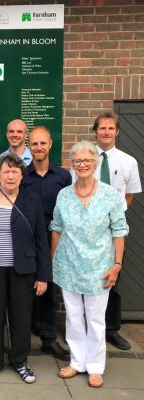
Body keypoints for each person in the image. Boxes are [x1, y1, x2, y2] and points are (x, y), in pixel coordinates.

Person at [50, 140, 128, 388]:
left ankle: (95, 366)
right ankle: (76, 362)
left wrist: (117, 264)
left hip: (99, 268)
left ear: (95, 164)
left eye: (86, 160)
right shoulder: (64, 195)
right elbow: (57, 229)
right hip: (69, 266)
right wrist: (53, 261)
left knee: (95, 319)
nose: (82, 165)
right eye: (77, 161)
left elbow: (119, 230)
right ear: (72, 165)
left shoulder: (110, 195)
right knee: (73, 317)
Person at [0, 155, 52, 384]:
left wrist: (43, 275)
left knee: (21, 317)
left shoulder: (32, 200)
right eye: (6, 171)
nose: (10, 175)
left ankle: (20, 361)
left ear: (21, 175)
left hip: (23, 269)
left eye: (15, 172)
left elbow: (40, 239)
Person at [93, 112, 142, 351]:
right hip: (89, 229)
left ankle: (111, 329)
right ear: (95, 131)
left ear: (117, 132)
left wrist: (114, 218)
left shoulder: (127, 161)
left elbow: (129, 195)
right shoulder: (86, 157)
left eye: (110, 128)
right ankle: (89, 327)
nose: (106, 132)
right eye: (102, 128)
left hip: (113, 231)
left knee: (113, 278)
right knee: (90, 277)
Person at [23, 127, 71, 361]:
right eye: (34, 144)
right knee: (26, 291)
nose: (39, 147)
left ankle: (49, 340)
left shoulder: (63, 177)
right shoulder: (22, 175)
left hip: (55, 240)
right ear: (28, 146)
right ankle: (23, 340)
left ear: (50, 144)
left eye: (43, 143)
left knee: (50, 291)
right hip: (27, 241)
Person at [0, 119, 32, 187]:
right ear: (7, 134)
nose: (15, 135)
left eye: (19, 132)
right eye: (11, 131)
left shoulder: (34, 159)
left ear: (26, 135)